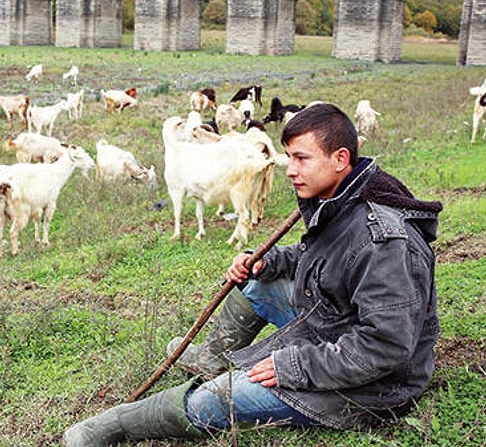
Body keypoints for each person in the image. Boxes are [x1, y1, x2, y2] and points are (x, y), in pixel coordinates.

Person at [64, 103, 442, 446]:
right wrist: (267, 261)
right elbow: (326, 260)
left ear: (340, 158)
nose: (290, 170)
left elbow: (386, 348)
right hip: (335, 324)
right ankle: (212, 357)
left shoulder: (386, 242)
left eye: (301, 159)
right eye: (289, 157)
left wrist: (293, 365)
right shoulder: (342, 198)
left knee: (216, 398)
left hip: (371, 387)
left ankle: (111, 428)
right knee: (258, 284)